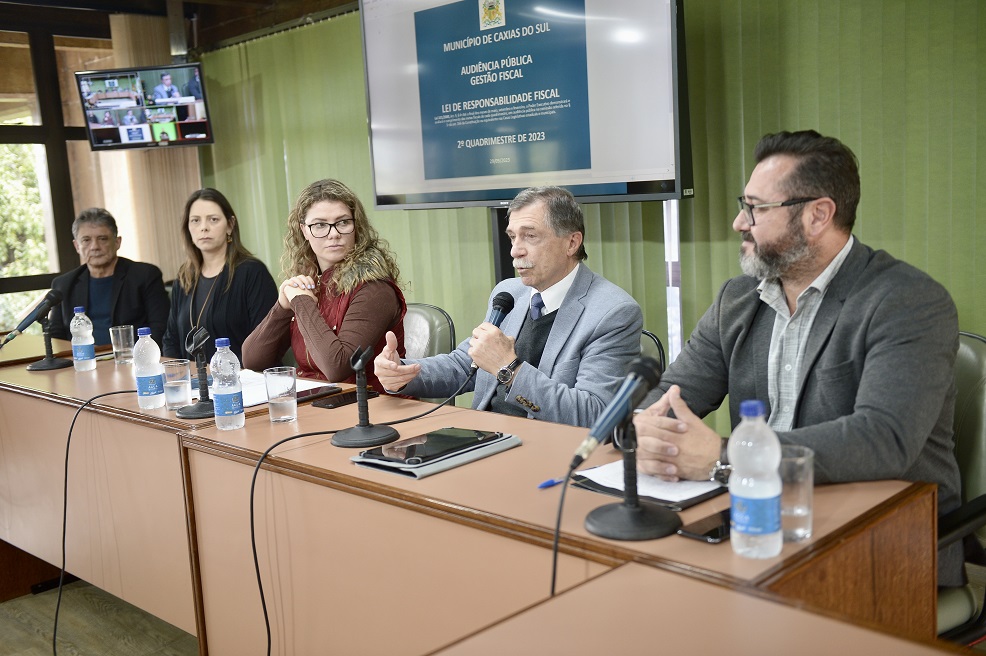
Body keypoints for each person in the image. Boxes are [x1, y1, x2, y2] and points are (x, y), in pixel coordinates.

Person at [632, 130, 964, 586]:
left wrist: (726, 459)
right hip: (758, 522)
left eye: (756, 208)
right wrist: (642, 426)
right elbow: (669, 394)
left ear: (817, 215)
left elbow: (883, 439)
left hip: (886, 538)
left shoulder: (907, 301)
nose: (738, 222)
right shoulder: (738, 298)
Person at [374, 186, 643, 428]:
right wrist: (404, 372)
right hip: (485, 436)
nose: (515, 250)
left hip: (548, 451)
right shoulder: (509, 292)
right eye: (513, 237)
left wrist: (509, 368)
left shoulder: (613, 312)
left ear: (572, 243)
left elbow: (593, 414)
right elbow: (465, 365)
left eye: (530, 237)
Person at [242, 179, 407, 392]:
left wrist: (301, 302)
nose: (333, 233)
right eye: (320, 225)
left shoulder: (374, 287)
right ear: (304, 230)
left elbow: (338, 367)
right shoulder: (309, 281)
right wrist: (282, 307)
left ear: (356, 226)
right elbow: (252, 360)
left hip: (369, 407)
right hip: (315, 402)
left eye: (343, 222)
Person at [163, 188, 278, 362]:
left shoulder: (252, 272)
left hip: (245, 380)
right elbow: (170, 339)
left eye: (213, 219)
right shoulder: (184, 277)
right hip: (194, 383)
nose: (203, 228)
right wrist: (177, 378)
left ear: (230, 225)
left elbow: (267, 342)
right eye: (195, 221)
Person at [50, 208, 169, 346]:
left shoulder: (145, 275)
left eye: (102, 239)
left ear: (117, 242)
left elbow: (160, 328)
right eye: (86, 240)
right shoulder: (63, 284)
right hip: (82, 361)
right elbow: (56, 337)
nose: (95, 247)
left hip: (130, 360)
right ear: (77, 246)